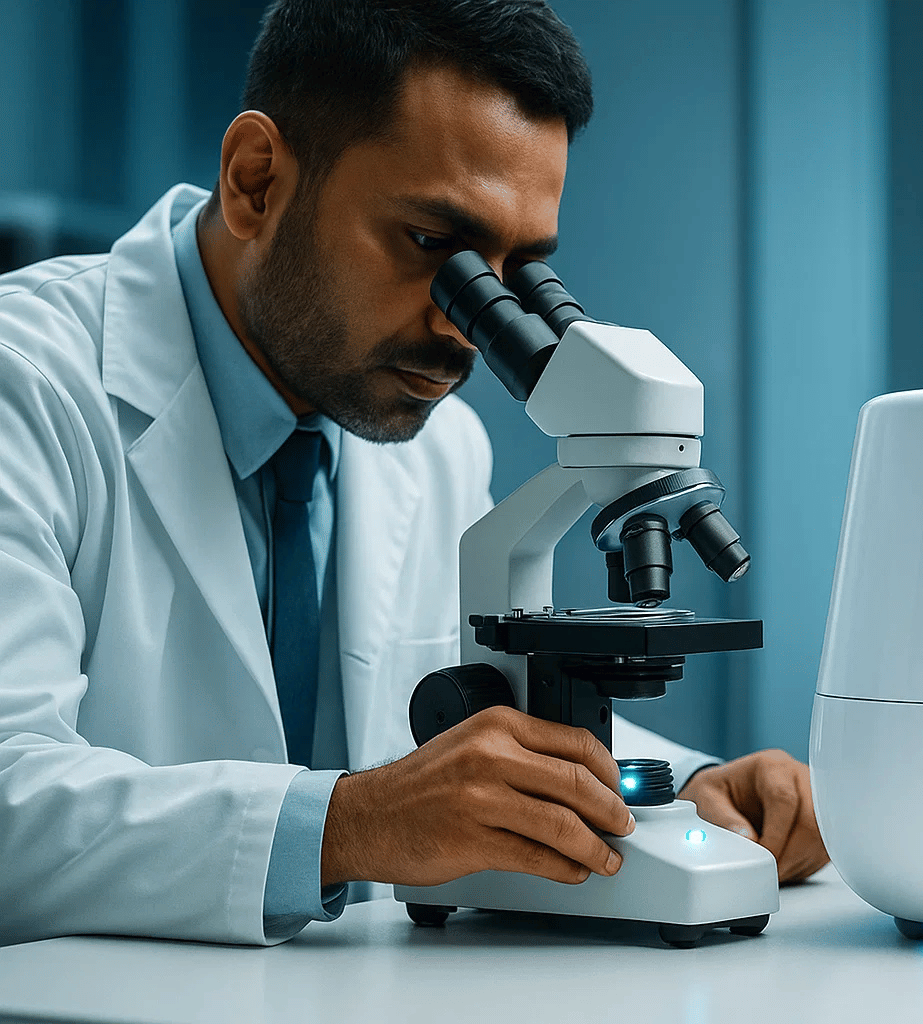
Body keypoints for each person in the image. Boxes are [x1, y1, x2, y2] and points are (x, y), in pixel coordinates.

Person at [0, 0, 827, 947]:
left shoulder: (439, 446)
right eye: (436, 247)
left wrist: (688, 788)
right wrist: (352, 826)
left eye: (517, 272)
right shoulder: (24, 385)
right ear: (256, 181)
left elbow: (476, 727)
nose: (463, 322)